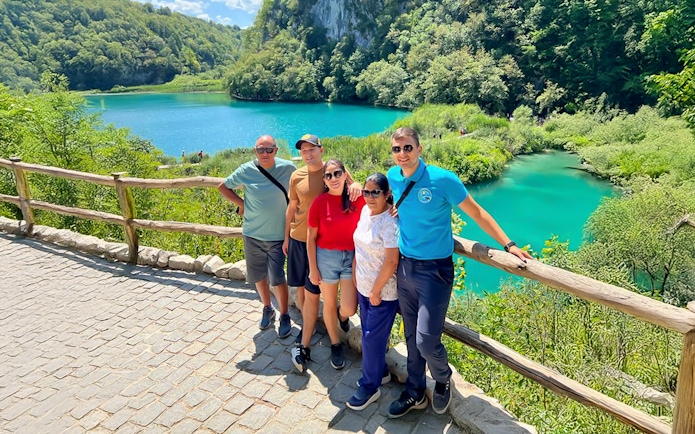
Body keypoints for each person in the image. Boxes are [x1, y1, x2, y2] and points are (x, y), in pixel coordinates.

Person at [386, 127, 532, 418]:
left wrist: (509, 244)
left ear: (420, 148)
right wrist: (394, 208)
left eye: (408, 148)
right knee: (411, 333)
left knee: (426, 340)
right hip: (405, 267)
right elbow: (400, 203)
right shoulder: (393, 176)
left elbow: (476, 212)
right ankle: (414, 392)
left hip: (435, 271)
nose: (402, 154)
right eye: (397, 149)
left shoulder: (442, 179)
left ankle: (442, 379)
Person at [284, 134, 361, 373]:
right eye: (303, 150)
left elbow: (360, 190)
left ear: (320, 150)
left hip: (336, 251)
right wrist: (285, 236)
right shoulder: (297, 176)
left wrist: (358, 184)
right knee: (307, 293)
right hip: (305, 243)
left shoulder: (339, 176)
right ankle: (307, 341)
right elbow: (292, 207)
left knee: (332, 302)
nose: (308, 154)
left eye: (312, 149)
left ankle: (322, 330)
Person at [218, 135, 296, 339]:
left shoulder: (288, 169)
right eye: (260, 150)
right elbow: (223, 187)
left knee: (278, 277)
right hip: (252, 234)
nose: (265, 154)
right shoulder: (246, 170)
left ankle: (285, 314)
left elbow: (304, 186)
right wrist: (241, 204)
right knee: (258, 276)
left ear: (276, 150)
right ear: (255, 151)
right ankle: (267, 308)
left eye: (269, 150)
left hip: (279, 235)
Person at [303, 159, 365, 371]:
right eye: (328, 176)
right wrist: (313, 268)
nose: (333, 179)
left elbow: (383, 205)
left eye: (337, 173)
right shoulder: (319, 203)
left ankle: (342, 317)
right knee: (328, 303)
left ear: (344, 174)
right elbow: (310, 238)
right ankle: (335, 343)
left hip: (351, 257)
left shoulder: (358, 198)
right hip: (326, 258)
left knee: (349, 307)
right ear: (324, 180)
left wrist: (356, 184)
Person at [347, 172, 399, 411]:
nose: (369, 197)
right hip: (364, 287)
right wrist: (356, 273)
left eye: (375, 192)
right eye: (366, 192)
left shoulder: (390, 222)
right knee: (372, 337)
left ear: (387, 194)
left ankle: (370, 387)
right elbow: (359, 243)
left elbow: (391, 262)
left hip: (383, 292)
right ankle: (382, 372)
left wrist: (376, 290)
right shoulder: (365, 212)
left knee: (370, 339)